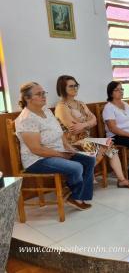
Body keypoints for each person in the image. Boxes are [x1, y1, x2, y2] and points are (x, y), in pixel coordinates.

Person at [15, 82, 95, 210]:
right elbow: (36, 149)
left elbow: (59, 131)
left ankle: (77, 196)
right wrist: (61, 155)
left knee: (89, 159)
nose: (43, 96)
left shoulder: (46, 110)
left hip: (58, 151)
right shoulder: (26, 119)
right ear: (27, 98)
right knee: (76, 167)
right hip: (37, 159)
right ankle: (76, 194)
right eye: (38, 94)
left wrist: (68, 147)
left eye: (43, 93)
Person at [55, 75, 129, 189]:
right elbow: (73, 128)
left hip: (85, 139)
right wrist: (88, 123)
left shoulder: (81, 103)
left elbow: (94, 120)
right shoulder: (61, 107)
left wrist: (84, 124)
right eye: (71, 86)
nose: (75, 88)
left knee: (109, 144)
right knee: (105, 146)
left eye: (76, 85)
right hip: (71, 143)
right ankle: (84, 174)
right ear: (62, 88)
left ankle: (121, 180)